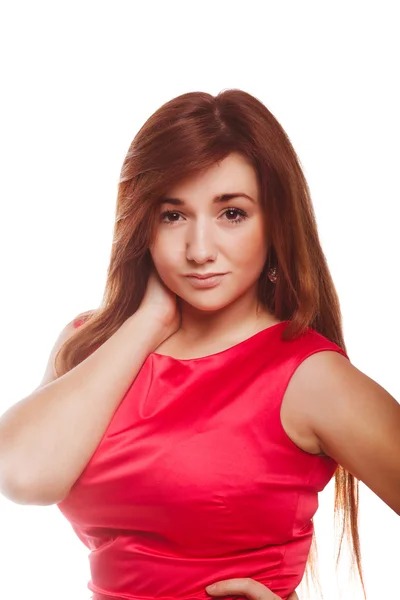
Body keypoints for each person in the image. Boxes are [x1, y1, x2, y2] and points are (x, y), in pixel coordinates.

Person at [0, 89, 399, 600]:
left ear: (274, 223)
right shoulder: (92, 343)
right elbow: (23, 476)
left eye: (231, 213)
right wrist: (149, 318)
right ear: (141, 225)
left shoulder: (308, 376)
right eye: (173, 215)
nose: (199, 250)